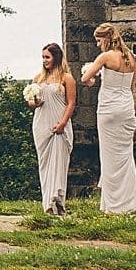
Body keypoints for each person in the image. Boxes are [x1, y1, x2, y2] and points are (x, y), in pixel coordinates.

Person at [78, 23, 136, 214]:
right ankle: (128, 204)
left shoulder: (105, 57)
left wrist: (93, 79)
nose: (97, 44)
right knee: (126, 156)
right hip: (127, 108)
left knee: (109, 156)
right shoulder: (130, 57)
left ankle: (113, 205)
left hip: (109, 109)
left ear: (105, 38)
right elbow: (131, 87)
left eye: (98, 40)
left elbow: (85, 79)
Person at [28, 42, 77, 214]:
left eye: (47, 57)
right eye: (42, 57)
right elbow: (31, 103)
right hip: (42, 124)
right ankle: (48, 204)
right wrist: (35, 102)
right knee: (45, 165)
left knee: (60, 164)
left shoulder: (66, 78)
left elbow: (71, 103)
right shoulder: (38, 79)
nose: (44, 60)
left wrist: (63, 123)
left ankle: (59, 201)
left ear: (56, 57)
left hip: (59, 123)